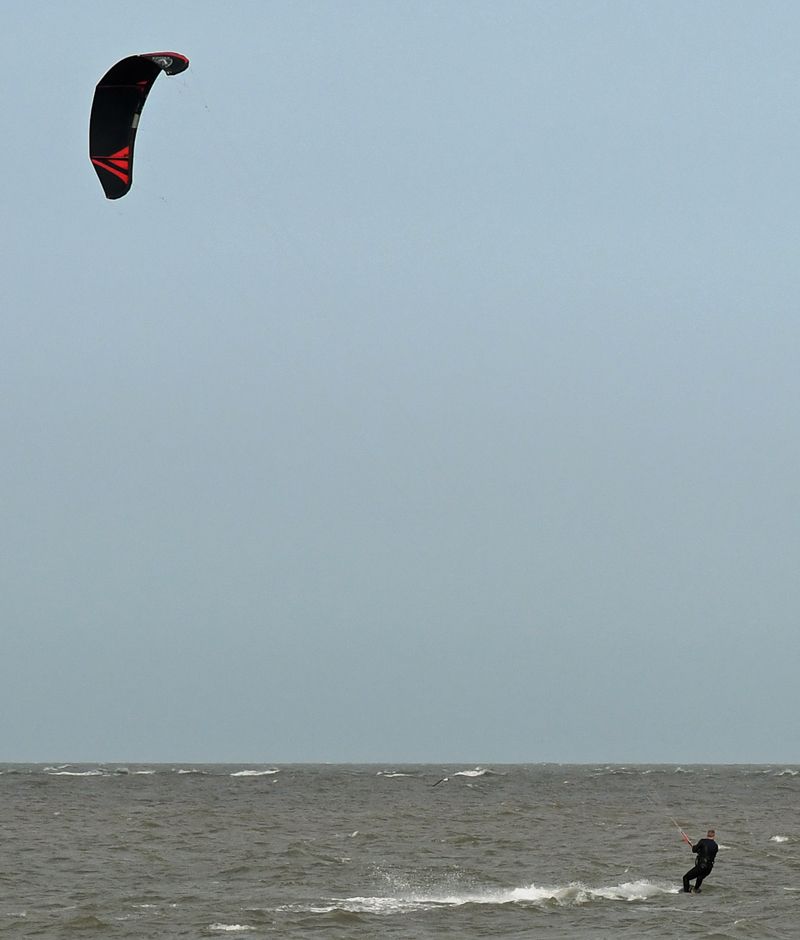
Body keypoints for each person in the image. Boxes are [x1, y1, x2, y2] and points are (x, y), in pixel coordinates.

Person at [683, 829, 718, 893]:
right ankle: (695, 889)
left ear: (707, 834)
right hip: (709, 868)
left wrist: (692, 845)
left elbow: (694, 850)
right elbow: (708, 855)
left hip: (702, 866)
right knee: (700, 878)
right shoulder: (716, 845)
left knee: (685, 878)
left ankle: (686, 893)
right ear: (714, 836)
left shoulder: (702, 841)